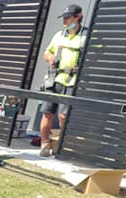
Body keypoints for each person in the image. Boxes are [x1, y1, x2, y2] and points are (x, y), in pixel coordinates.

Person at [39, 4, 84, 157]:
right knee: (47, 113)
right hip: (54, 79)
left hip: (72, 81)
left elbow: (97, 54)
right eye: (63, 18)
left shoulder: (86, 36)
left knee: (63, 116)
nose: (64, 21)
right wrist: (50, 58)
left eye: (67, 18)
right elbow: (46, 53)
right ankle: (44, 145)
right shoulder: (59, 35)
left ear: (78, 17)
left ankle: (61, 146)